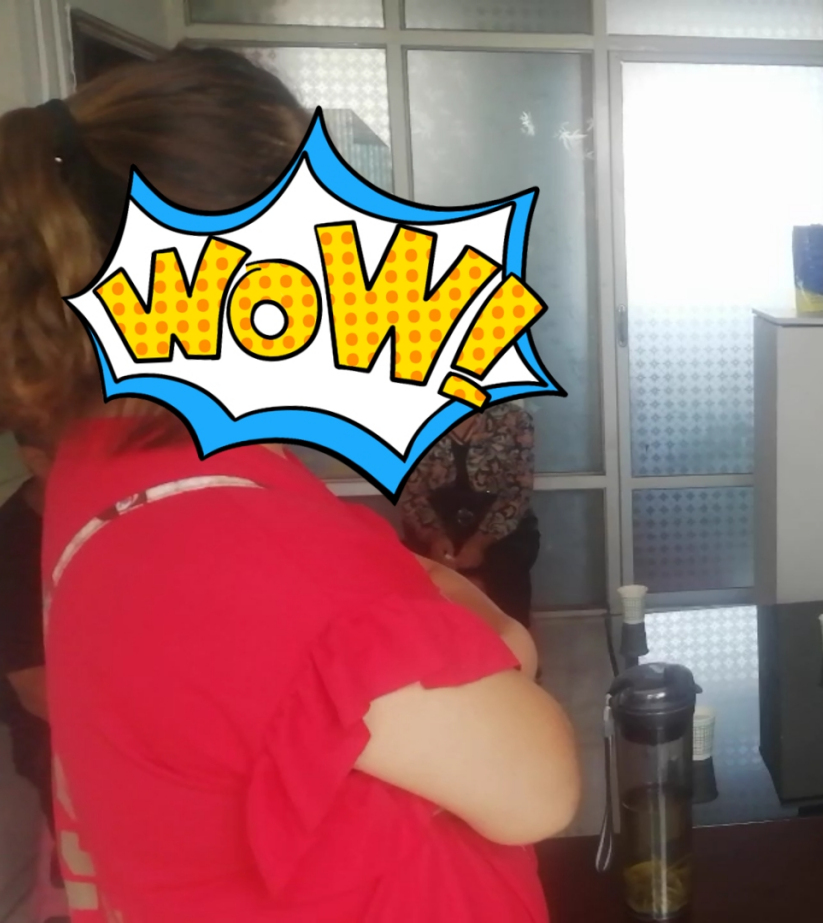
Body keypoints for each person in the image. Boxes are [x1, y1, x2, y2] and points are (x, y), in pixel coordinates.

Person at [0, 48, 579, 921]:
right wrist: (490, 627)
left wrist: (441, 603)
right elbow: (539, 787)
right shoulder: (231, 550)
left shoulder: (111, 466)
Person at [0, 430, 69, 922]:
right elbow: (38, 694)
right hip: (50, 729)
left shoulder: (117, 514)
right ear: (35, 458)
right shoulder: (12, 548)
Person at [398, 402, 541, 626]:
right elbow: (412, 495)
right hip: (435, 524)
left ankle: (515, 644)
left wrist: (480, 542)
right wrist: (435, 537)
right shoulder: (414, 421)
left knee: (505, 589)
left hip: (501, 530)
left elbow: (518, 491)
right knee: (425, 594)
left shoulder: (514, 419)